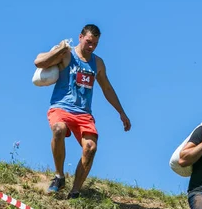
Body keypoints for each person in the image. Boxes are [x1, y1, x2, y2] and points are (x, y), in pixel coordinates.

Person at [34, 24, 131, 199]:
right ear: (80, 37)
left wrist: (121, 112)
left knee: (91, 148)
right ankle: (59, 177)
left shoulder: (98, 63)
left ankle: (75, 191)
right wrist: (60, 49)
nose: (91, 46)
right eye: (88, 42)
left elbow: (107, 88)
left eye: (95, 43)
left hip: (83, 114)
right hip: (61, 107)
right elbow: (39, 62)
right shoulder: (66, 54)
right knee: (58, 129)